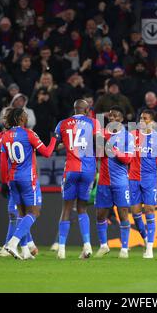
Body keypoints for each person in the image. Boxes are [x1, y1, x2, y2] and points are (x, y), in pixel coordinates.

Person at [0, 108, 58, 260]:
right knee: (34, 212)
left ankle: (25, 250)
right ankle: (12, 243)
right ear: (20, 118)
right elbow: (47, 152)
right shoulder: (29, 133)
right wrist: (54, 139)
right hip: (27, 179)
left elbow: (3, 163)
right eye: (25, 114)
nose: (27, 116)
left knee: (22, 213)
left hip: (12, 179)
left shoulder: (4, 136)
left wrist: (4, 181)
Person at [54, 99, 101, 260]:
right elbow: (98, 142)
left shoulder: (62, 123)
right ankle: (87, 246)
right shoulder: (93, 122)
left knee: (66, 208)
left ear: (74, 109)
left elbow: (56, 145)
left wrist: (66, 145)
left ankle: (61, 249)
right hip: (88, 170)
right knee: (82, 208)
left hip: (71, 169)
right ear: (87, 110)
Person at [129, 109, 157, 259]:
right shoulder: (131, 136)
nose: (142, 121)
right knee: (135, 212)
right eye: (141, 118)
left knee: (149, 210)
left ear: (153, 122)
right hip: (133, 179)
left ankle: (149, 248)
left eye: (145, 119)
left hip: (149, 179)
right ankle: (146, 238)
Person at [94, 106, 134, 259]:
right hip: (104, 181)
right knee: (100, 215)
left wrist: (112, 148)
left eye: (115, 116)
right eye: (110, 116)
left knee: (123, 213)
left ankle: (124, 248)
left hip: (120, 182)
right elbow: (98, 154)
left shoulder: (128, 137)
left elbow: (127, 159)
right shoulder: (103, 134)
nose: (111, 118)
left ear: (121, 119)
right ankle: (104, 246)